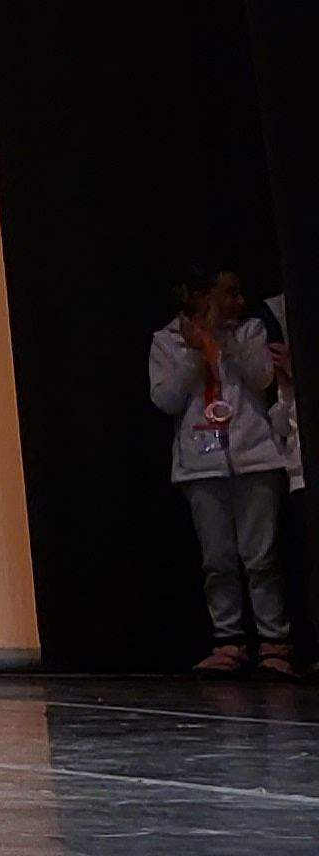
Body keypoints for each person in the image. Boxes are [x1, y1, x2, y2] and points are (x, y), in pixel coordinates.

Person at [151, 266, 293, 677]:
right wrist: (197, 353)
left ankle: (274, 642)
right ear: (203, 296)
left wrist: (223, 344)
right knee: (218, 560)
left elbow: (262, 376)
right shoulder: (168, 340)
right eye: (228, 293)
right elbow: (166, 398)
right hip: (202, 465)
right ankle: (228, 641)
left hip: (255, 459)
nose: (239, 301)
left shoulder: (248, 331)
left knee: (261, 556)